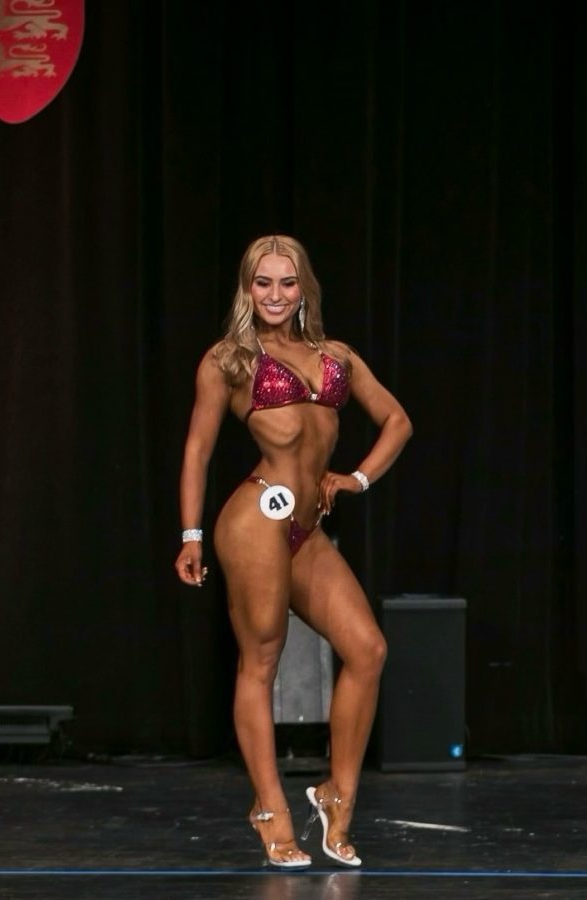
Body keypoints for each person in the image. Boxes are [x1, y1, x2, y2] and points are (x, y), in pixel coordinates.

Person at [175, 235, 412, 869]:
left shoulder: (336, 357)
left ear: (303, 287)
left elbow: (398, 421)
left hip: (305, 528)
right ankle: (270, 811)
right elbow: (197, 450)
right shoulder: (229, 361)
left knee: (367, 649)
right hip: (253, 520)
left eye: (286, 283)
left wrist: (355, 478)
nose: (275, 296)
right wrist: (190, 534)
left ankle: (337, 793)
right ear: (246, 289)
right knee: (262, 663)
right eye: (262, 283)